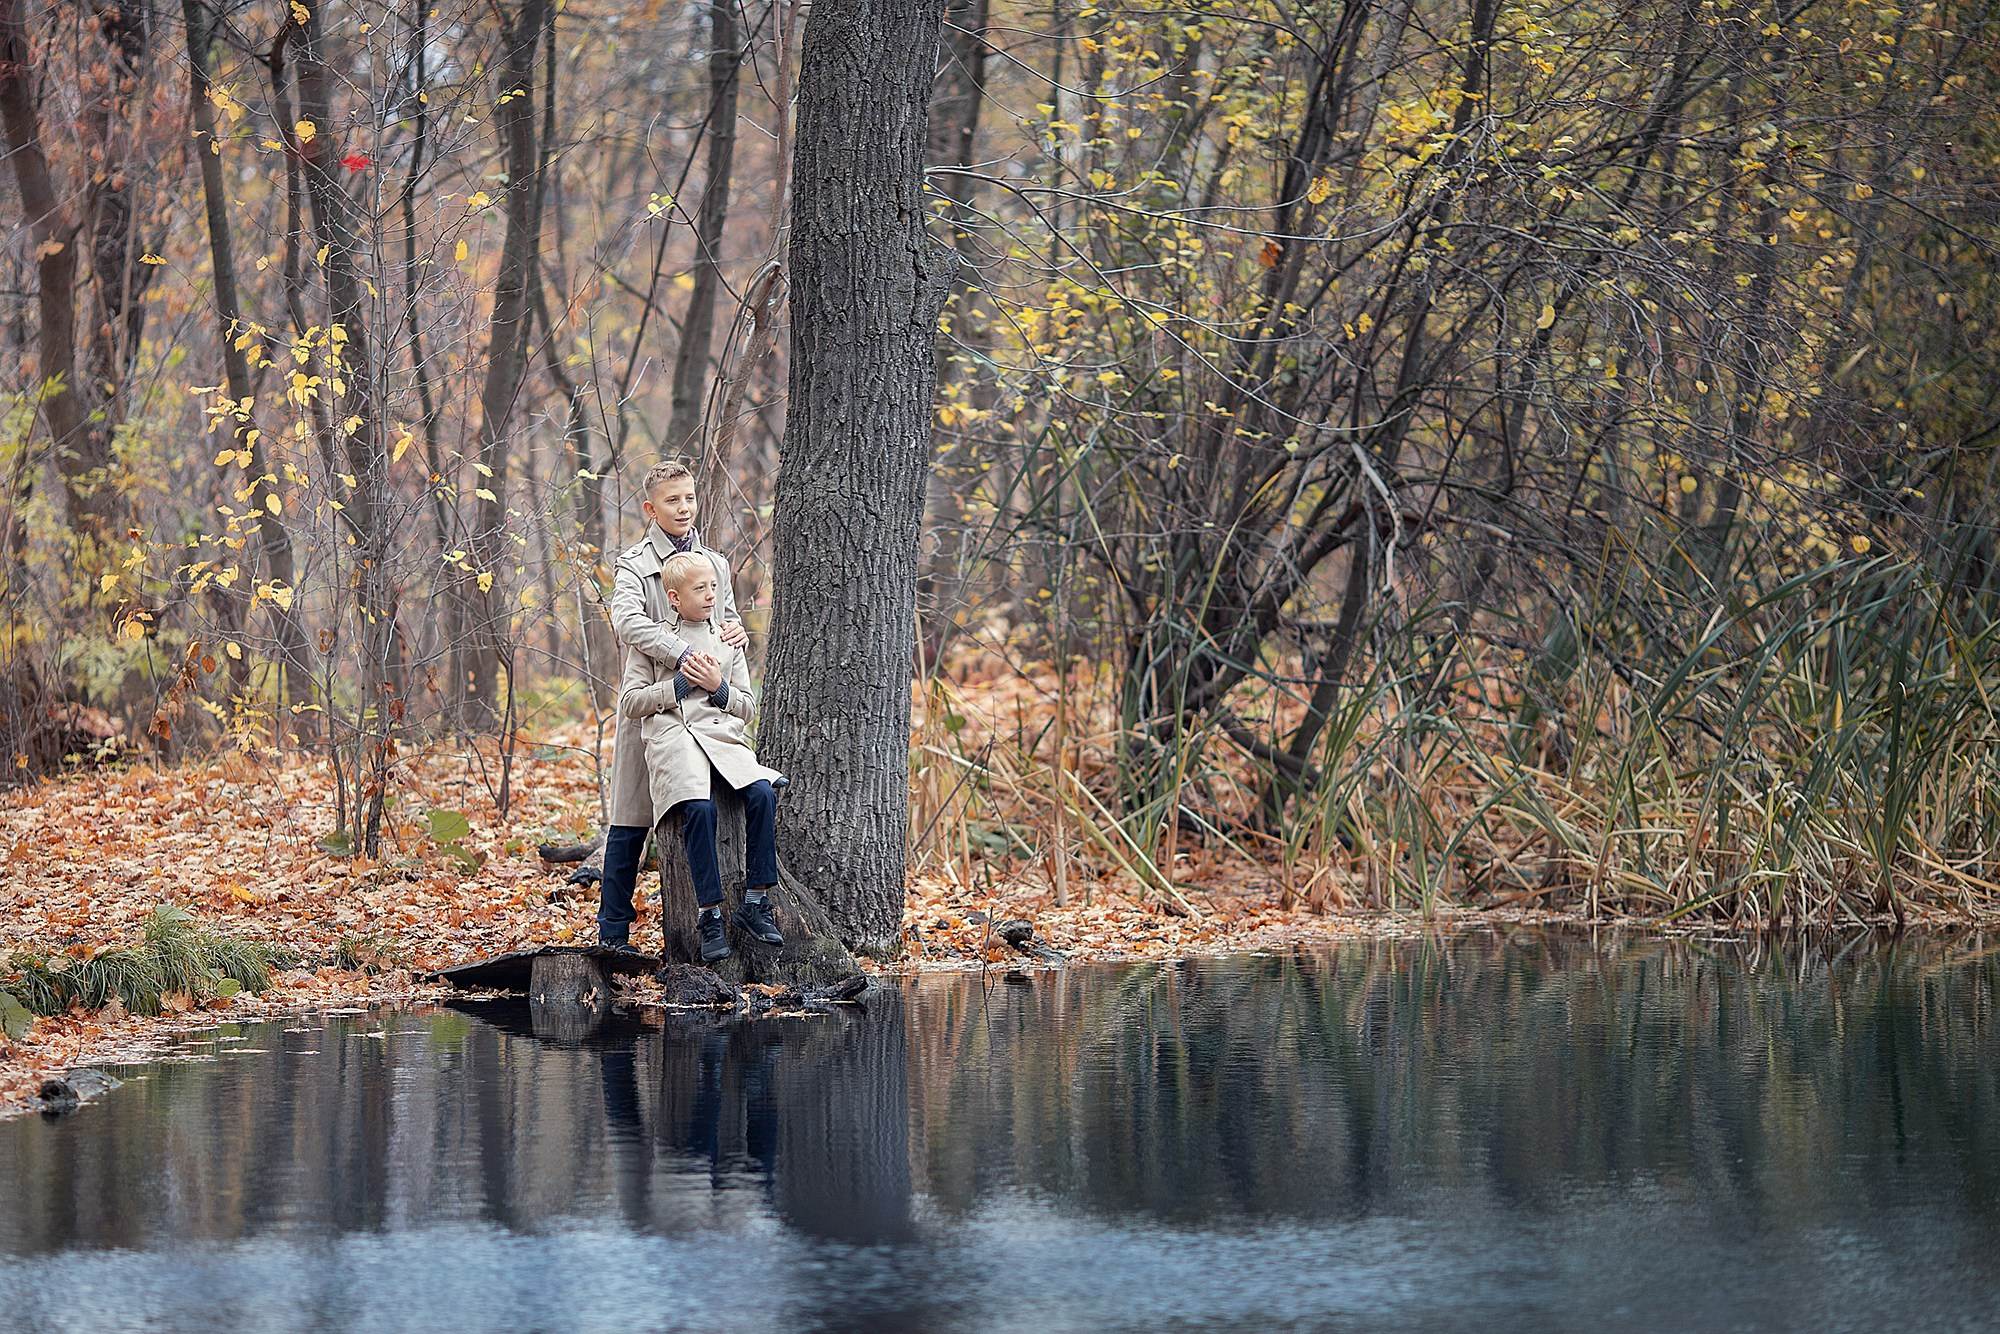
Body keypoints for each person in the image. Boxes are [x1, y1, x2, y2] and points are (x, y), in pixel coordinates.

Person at [597, 459, 749, 952]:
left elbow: (722, 623)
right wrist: (680, 652)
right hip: (653, 702)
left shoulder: (715, 565)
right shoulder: (634, 565)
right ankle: (613, 935)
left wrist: (736, 633)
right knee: (630, 820)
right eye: (671, 501)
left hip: (707, 713)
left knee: (707, 808)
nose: (683, 508)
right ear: (651, 508)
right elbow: (627, 624)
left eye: (689, 498)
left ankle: (709, 923)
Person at [619, 552, 788, 963]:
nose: (711, 595)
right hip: (675, 741)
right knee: (699, 809)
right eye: (700, 589)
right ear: (674, 597)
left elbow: (748, 706)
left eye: (714, 586)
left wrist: (718, 686)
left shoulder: (729, 639)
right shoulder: (653, 641)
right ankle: (708, 914)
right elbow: (629, 702)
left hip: (722, 740)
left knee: (763, 794)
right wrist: (675, 687)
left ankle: (755, 902)